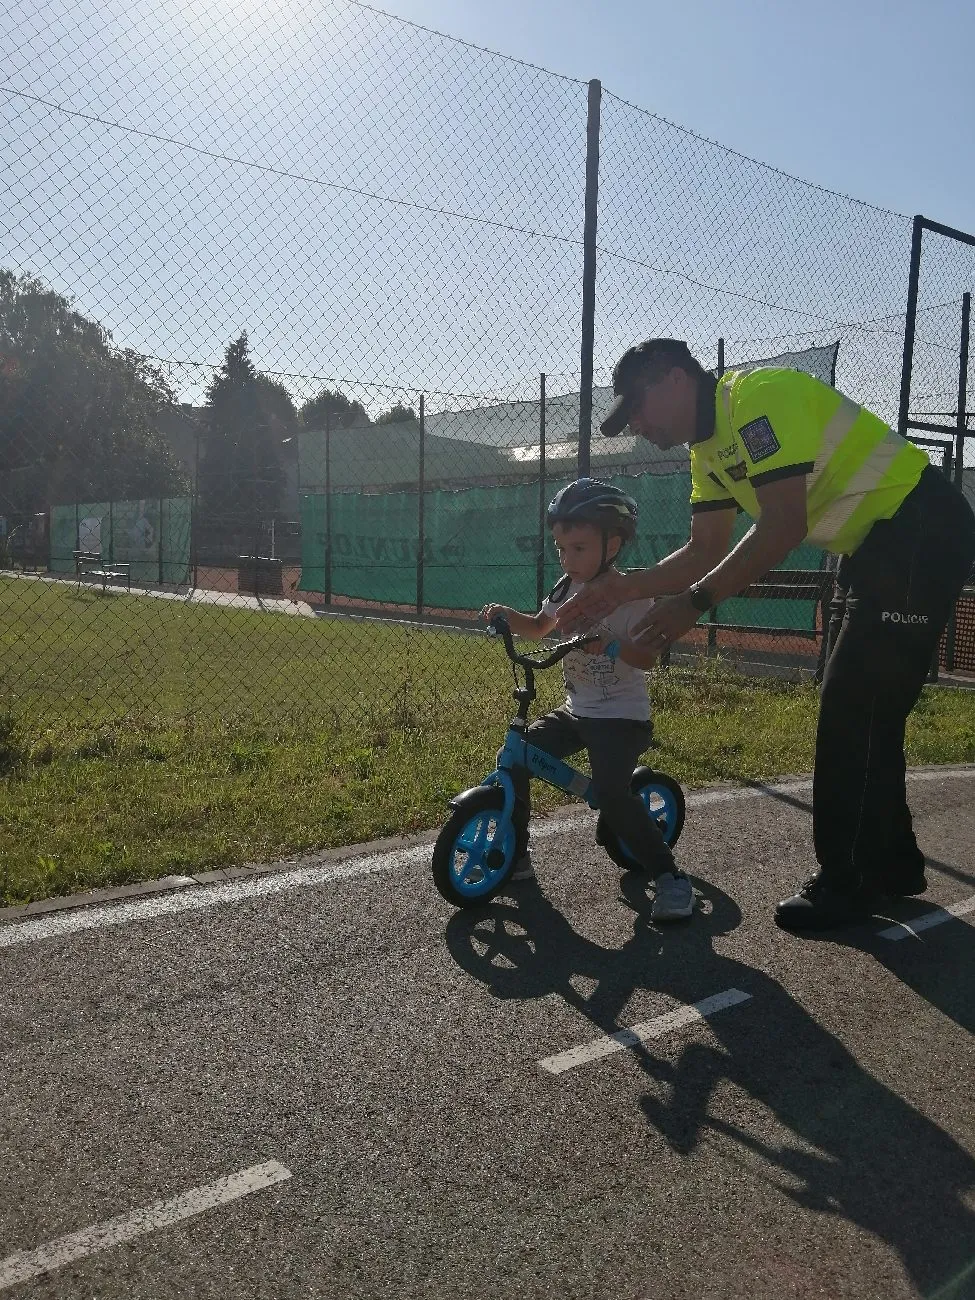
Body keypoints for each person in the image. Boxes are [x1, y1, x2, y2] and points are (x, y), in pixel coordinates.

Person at [555, 338, 975, 933]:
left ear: (675, 378)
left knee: (852, 709)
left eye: (638, 408)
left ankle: (846, 884)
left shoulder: (758, 400)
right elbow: (704, 548)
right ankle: (893, 867)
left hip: (919, 530)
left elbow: (783, 524)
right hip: (875, 545)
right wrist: (621, 588)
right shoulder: (707, 452)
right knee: (868, 711)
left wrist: (695, 603)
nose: (638, 426)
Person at [480, 477, 694, 922]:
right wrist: (506, 616)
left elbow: (647, 658)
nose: (567, 559)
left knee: (613, 795)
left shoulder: (633, 597)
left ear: (612, 545)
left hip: (621, 718)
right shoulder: (566, 589)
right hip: (577, 711)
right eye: (561, 549)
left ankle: (670, 878)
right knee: (515, 757)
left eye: (578, 548)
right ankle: (516, 854)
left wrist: (609, 646)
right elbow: (538, 627)